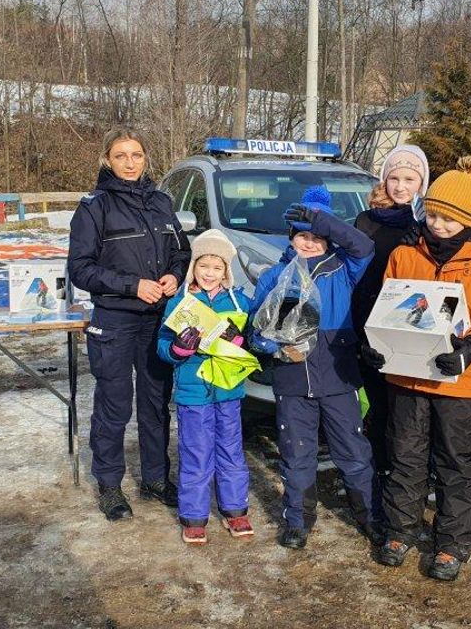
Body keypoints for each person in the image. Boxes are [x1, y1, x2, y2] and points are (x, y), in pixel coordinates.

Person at [363, 156, 471, 582]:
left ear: (469, 220)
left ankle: (451, 541)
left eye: (449, 219)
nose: (439, 225)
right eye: (434, 215)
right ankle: (400, 529)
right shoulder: (405, 253)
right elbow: (387, 308)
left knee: (454, 462)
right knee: (404, 455)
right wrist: (377, 345)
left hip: (458, 383)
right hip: (406, 376)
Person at [68, 128, 192, 521]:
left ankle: (155, 478)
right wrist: (131, 286)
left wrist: (175, 274)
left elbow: (181, 251)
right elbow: (80, 270)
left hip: (158, 320)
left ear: (145, 158)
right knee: (114, 406)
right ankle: (109, 485)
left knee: (155, 404)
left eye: (136, 155)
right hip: (116, 320)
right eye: (120, 155)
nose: (129, 162)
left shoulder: (161, 202)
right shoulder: (94, 207)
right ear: (107, 160)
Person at [250, 185, 378, 550]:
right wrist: (273, 346)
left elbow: (363, 246)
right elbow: (254, 328)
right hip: (292, 380)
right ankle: (297, 520)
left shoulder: (344, 269)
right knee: (296, 452)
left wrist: (322, 220)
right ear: (291, 238)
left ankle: (369, 515)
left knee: (352, 451)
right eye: (302, 236)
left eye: (317, 237)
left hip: (337, 374)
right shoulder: (274, 277)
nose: (308, 243)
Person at [157, 229, 254, 545]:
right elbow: (162, 342)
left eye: (217, 267)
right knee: (196, 451)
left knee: (231, 449)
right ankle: (194, 516)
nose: (210, 274)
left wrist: (241, 341)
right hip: (193, 389)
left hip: (228, 390)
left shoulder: (239, 301)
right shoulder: (180, 302)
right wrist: (178, 350)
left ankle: (235, 509)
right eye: (204, 266)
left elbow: (254, 336)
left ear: (226, 270)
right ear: (193, 267)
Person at [352, 144, 428, 476]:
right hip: (371, 324)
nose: (400, 186)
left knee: (410, 412)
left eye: (409, 178)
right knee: (379, 407)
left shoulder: (430, 221)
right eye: (394, 178)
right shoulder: (367, 220)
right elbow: (355, 272)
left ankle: (411, 477)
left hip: (414, 325)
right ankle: (380, 475)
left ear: (422, 183)